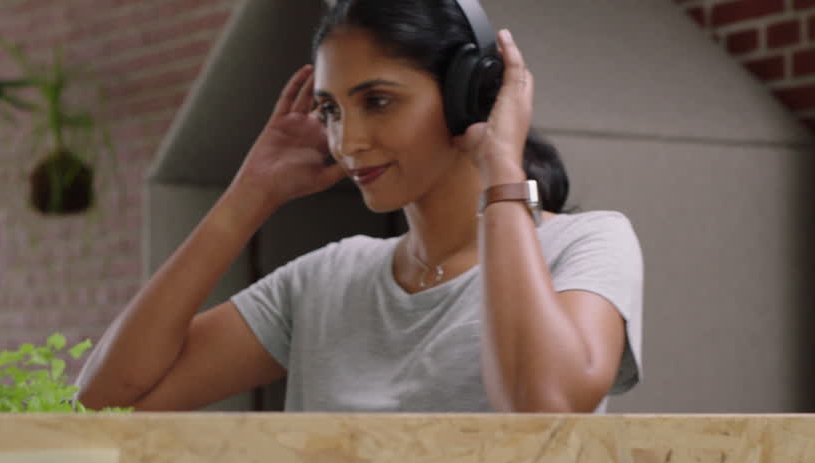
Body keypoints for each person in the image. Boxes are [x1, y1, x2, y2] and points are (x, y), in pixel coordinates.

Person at [76, 0, 643, 413]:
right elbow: (102, 402)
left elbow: (542, 406)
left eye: (377, 101)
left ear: (469, 96)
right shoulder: (325, 280)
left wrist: (502, 171)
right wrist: (249, 195)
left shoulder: (586, 244)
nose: (345, 141)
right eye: (331, 110)